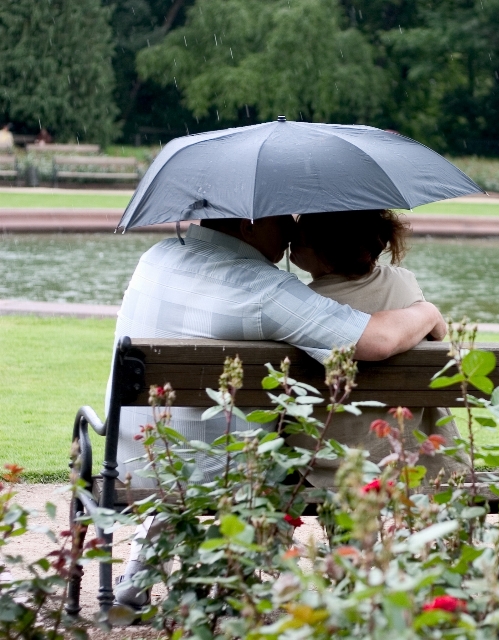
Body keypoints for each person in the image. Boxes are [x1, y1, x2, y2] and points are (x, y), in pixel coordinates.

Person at [112, 215, 445, 608]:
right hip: (227, 470)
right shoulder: (261, 287)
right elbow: (377, 340)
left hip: (132, 458)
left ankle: (141, 568)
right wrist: (428, 312)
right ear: (249, 226)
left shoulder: (158, 256)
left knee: (194, 436)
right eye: (281, 215)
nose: (291, 225)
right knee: (258, 442)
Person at [288, 210, 467, 486]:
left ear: (325, 252)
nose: (290, 240)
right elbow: (439, 334)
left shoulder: (302, 303)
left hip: (322, 462)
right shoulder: (403, 283)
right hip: (405, 453)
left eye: (299, 237)